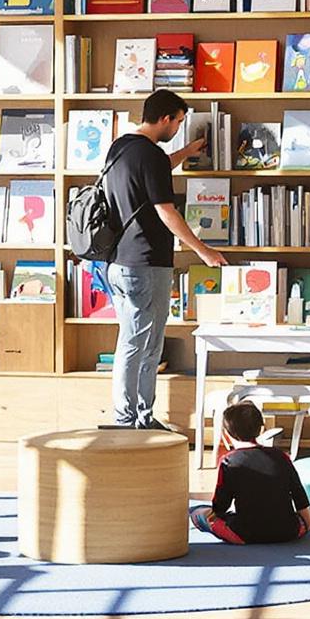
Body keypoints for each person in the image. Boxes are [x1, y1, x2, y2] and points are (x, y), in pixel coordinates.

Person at [100, 89, 226, 431]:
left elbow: (152, 172)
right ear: (166, 118)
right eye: (179, 123)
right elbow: (166, 212)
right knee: (140, 343)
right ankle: (128, 419)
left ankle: (139, 417)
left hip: (118, 263)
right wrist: (203, 250)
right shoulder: (151, 156)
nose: (178, 129)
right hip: (146, 262)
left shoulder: (122, 147)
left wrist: (185, 152)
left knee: (141, 340)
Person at [192, 402, 310, 545]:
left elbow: (221, 506)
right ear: (261, 429)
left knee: (198, 514)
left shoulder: (229, 462)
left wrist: (213, 514)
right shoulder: (281, 457)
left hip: (245, 534)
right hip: (288, 531)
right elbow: (299, 496)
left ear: (227, 433)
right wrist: (307, 524)